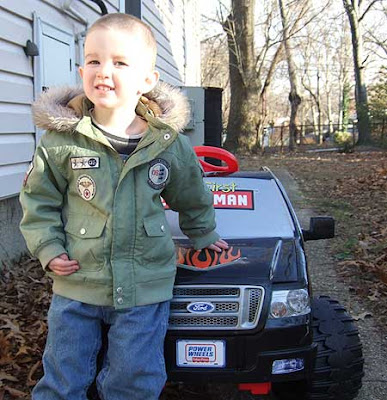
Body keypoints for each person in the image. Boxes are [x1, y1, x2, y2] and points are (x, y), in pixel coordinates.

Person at [19, 13, 227, 400]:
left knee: (133, 379)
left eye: (119, 62)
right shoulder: (61, 143)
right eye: (94, 60)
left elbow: (192, 193)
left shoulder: (167, 143)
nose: (103, 71)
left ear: (147, 80)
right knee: (63, 377)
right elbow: (38, 202)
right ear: (81, 69)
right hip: (78, 282)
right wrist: (49, 249)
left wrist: (203, 233)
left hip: (144, 285)